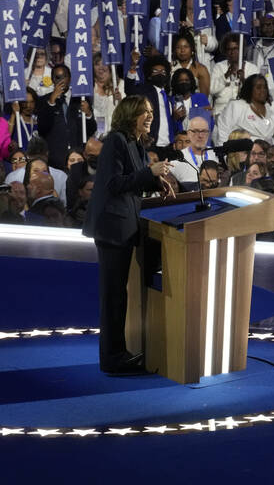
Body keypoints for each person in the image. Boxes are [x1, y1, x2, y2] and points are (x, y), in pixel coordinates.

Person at [82, 95, 175, 375]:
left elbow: (134, 179)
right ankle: (112, 358)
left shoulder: (136, 143)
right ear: (129, 114)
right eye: (144, 112)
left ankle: (119, 352)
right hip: (112, 228)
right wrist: (149, 172)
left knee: (119, 296)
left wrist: (155, 181)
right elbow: (113, 184)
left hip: (126, 226)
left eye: (150, 111)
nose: (150, 116)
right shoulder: (115, 141)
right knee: (113, 297)